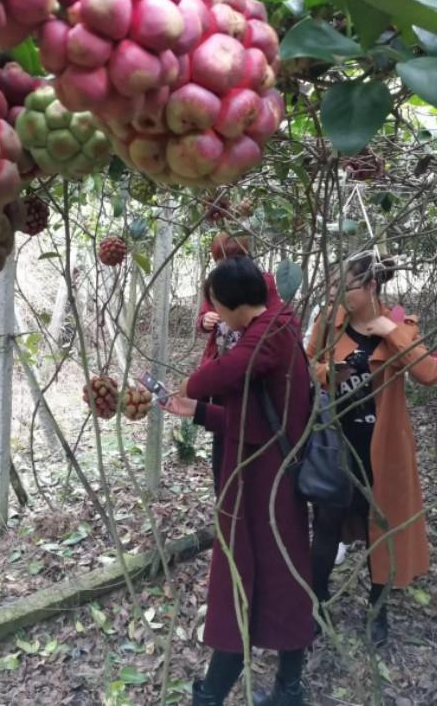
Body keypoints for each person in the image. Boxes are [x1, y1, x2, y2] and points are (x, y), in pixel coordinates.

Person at [166, 257, 312, 706]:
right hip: (261, 467)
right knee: (278, 575)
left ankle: (215, 694)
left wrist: (191, 390)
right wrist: (199, 412)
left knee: (249, 576)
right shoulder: (276, 319)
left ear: (231, 306)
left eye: (217, 309)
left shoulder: (269, 331)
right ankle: (282, 687)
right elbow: (253, 416)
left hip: (263, 481)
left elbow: (217, 375)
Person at [306, 253, 437, 645]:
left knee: (381, 530)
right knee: (327, 524)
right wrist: (329, 372)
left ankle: (377, 610)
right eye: (330, 288)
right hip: (335, 442)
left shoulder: (401, 326)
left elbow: (429, 373)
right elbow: (310, 361)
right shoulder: (328, 325)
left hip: (382, 450)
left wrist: (389, 331)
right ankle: (317, 604)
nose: (334, 296)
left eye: (342, 288)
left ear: (369, 287)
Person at [196, 233, 280, 493]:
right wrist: (206, 320)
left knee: (250, 424)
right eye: (221, 260)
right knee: (223, 434)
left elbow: (272, 318)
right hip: (223, 370)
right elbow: (203, 314)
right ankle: (224, 491)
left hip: (250, 368)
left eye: (233, 258)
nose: (226, 264)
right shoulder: (216, 282)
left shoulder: (261, 281)